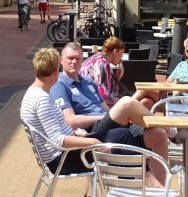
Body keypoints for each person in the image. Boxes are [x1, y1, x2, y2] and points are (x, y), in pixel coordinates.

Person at [50, 42, 170, 185]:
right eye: (70, 58)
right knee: (127, 102)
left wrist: (118, 116)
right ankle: (171, 130)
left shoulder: (88, 81)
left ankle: (161, 193)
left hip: (109, 124)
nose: (74, 62)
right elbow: (71, 121)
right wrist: (107, 116)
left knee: (158, 135)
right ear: (61, 60)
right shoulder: (59, 84)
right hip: (91, 130)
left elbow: (105, 108)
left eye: (78, 58)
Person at [20, 47, 99, 173]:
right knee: (119, 141)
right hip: (62, 160)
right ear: (56, 72)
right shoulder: (42, 99)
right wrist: (91, 141)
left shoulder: (32, 93)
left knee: (117, 136)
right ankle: (126, 187)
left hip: (61, 155)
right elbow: (57, 140)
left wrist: (78, 134)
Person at [136, 36, 188, 109]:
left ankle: (127, 109)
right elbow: (167, 83)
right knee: (145, 102)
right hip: (174, 98)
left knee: (144, 91)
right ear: (185, 52)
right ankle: (135, 121)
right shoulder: (182, 64)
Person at [81, 36, 125, 108]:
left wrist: (116, 78)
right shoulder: (103, 64)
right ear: (114, 52)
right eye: (121, 53)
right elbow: (103, 95)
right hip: (91, 104)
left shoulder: (96, 58)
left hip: (85, 99)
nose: (122, 56)